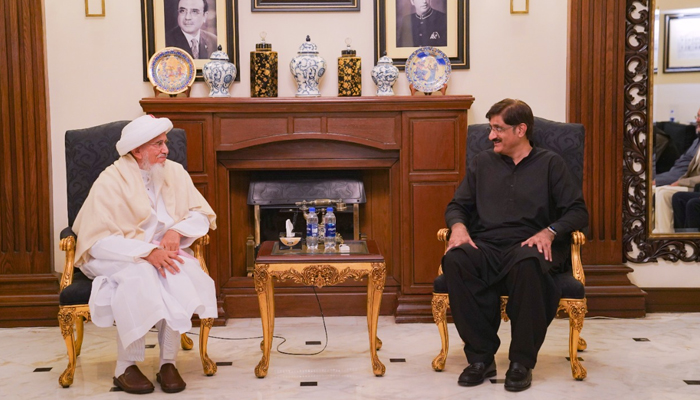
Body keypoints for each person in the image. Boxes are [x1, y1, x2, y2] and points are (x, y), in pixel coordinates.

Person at [442, 99, 588, 392]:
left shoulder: (551, 164)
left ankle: (522, 362)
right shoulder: (482, 162)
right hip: (487, 244)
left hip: (531, 245)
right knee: (457, 260)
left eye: (498, 129)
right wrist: (458, 228)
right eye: (491, 128)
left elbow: (578, 212)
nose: (491, 136)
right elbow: (458, 205)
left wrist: (550, 231)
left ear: (521, 129)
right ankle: (481, 358)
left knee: (528, 263)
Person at [73, 115, 218, 394]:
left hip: (161, 250)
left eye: (165, 143)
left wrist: (177, 231)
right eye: (158, 144)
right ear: (137, 150)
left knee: (176, 271)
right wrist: (146, 251)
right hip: (118, 253)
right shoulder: (111, 180)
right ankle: (125, 366)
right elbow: (97, 240)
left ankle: (167, 363)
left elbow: (200, 213)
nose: (166, 149)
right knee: (140, 275)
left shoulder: (173, 172)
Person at [653, 106, 700, 233]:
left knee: (662, 192)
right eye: (697, 116)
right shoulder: (697, 141)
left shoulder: (659, 138)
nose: (697, 120)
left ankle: (667, 236)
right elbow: (682, 165)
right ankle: (663, 234)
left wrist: (680, 182)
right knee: (661, 192)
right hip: (688, 181)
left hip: (695, 186)